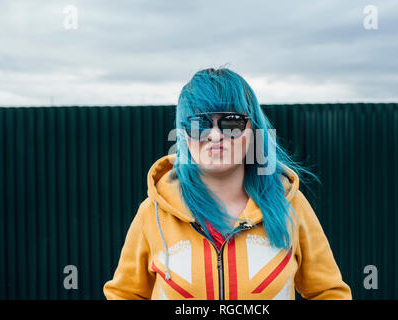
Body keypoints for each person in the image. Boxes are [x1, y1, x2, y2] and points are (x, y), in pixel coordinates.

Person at [103, 67, 352, 300]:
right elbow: (124, 294)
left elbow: (328, 292)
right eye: (199, 124)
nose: (215, 135)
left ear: (253, 130)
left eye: (231, 121)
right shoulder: (153, 213)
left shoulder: (290, 205)